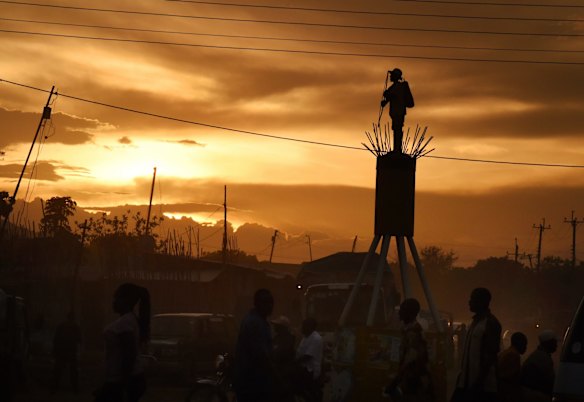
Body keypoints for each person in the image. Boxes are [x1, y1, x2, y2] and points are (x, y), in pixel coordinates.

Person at [94, 283, 150, 402]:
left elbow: (129, 355)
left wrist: (124, 386)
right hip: (124, 380)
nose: (113, 302)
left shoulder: (125, 323)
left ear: (125, 301)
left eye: (116, 299)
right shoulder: (129, 320)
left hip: (122, 381)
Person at [451, 288, 502, 402]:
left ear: (482, 301)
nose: (469, 302)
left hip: (482, 387)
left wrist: (478, 382)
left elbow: (490, 356)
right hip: (466, 382)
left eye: (472, 299)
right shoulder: (474, 323)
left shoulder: (490, 323)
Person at [383, 298, 433, 401]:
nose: (399, 313)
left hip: (415, 385)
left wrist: (393, 384)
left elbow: (408, 363)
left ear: (409, 313)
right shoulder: (410, 331)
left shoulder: (413, 333)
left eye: (402, 310)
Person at [233, 289, 275, 402]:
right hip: (251, 379)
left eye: (271, 302)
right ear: (257, 303)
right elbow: (261, 354)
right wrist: (274, 372)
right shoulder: (254, 322)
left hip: (252, 378)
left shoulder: (259, 321)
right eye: (265, 302)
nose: (269, 306)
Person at [380, 68, 415, 153]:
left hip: (398, 112)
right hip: (395, 112)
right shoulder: (394, 87)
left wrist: (387, 96)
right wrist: (385, 101)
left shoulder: (400, 86)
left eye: (392, 75)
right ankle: (396, 149)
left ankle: (397, 149)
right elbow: (389, 97)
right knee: (396, 129)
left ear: (395, 76)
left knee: (397, 129)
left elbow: (392, 95)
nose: (390, 76)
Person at [521, 330, 558, 399]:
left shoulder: (539, 355)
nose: (556, 345)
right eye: (554, 342)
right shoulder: (543, 357)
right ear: (548, 343)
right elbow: (550, 380)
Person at [51, 311, 82, 394]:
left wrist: (55, 350)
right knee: (73, 371)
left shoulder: (61, 326)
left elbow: (55, 339)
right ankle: (75, 388)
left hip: (62, 351)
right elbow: (79, 340)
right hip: (71, 351)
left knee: (58, 370)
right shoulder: (75, 327)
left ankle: (54, 387)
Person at [296, 318, 324, 402]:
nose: (302, 328)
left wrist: (293, 362)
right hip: (304, 368)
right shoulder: (306, 337)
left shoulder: (316, 338)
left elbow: (307, 356)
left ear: (310, 327)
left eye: (304, 326)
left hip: (310, 370)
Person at [498, 332, 528, 402]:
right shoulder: (513, 355)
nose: (525, 347)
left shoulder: (507, 352)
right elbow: (509, 378)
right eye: (525, 344)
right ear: (519, 343)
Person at [271, 315, 296, 402]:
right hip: (276, 371)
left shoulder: (288, 338)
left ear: (283, 327)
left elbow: (280, 353)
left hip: (283, 373)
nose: (275, 327)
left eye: (277, 325)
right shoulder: (276, 338)